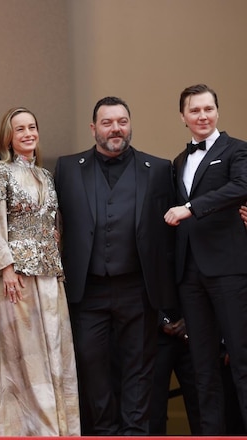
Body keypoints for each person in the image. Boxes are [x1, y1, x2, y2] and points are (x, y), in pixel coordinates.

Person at [55, 96, 177, 435]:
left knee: (139, 371)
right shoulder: (67, 168)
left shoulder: (159, 169)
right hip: (87, 291)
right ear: (94, 128)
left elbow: (172, 237)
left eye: (122, 121)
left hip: (138, 289)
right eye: (107, 122)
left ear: (130, 124)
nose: (116, 128)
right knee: (93, 371)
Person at [0, 107, 80, 436]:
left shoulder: (46, 175)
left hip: (49, 277)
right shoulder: (0, 171)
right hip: (15, 279)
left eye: (32, 127)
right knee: (22, 359)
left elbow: (54, 227)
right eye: (19, 128)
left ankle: (58, 429)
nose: (27, 133)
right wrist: (5, 269)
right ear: (8, 136)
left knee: (53, 352)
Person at [163, 83, 247, 435]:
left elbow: (241, 186)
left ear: (217, 111)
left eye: (208, 109)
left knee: (242, 360)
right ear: (183, 117)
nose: (202, 116)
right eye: (194, 110)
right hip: (190, 275)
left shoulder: (236, 150)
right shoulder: (179, 161)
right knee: (202, 366)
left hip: (228, 270)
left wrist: (191, 208)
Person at [148, 309, 201, 435]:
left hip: (196, 331)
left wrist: (191, 318)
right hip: (154, 334)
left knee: (203, 410)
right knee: (153, 414)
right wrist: (161, 320)